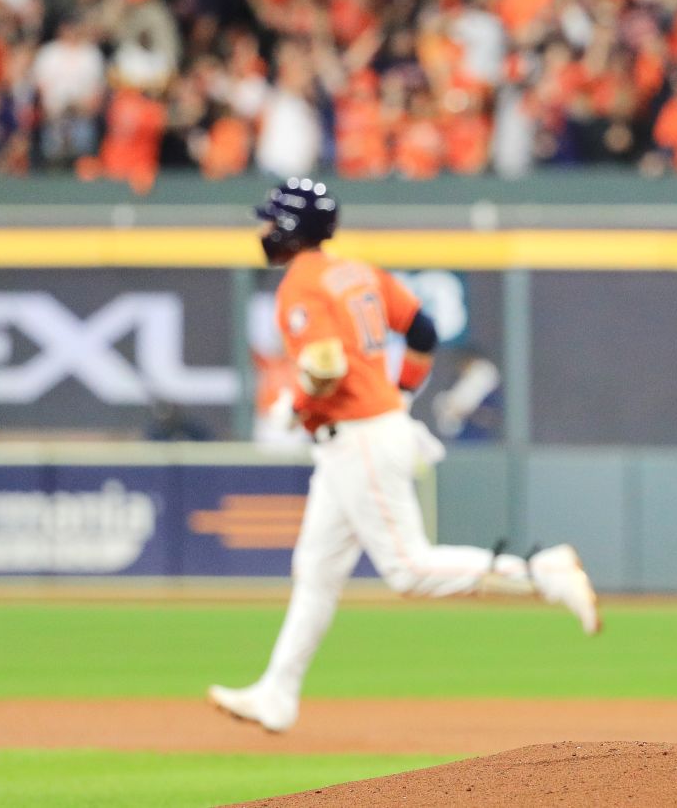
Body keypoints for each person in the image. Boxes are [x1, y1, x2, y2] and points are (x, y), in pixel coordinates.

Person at [210, 177, 599, 733]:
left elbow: (324, 366)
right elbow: (423, 329)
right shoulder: (357, 271)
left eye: (273, 220)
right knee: (316, 570)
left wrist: (292, 405)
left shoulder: (301, 283)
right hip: (367, 432)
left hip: (359, 439)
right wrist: (404, 390)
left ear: (292, 228)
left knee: (408, 569)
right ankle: (277, 692)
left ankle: (543, 572)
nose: (264, 229)